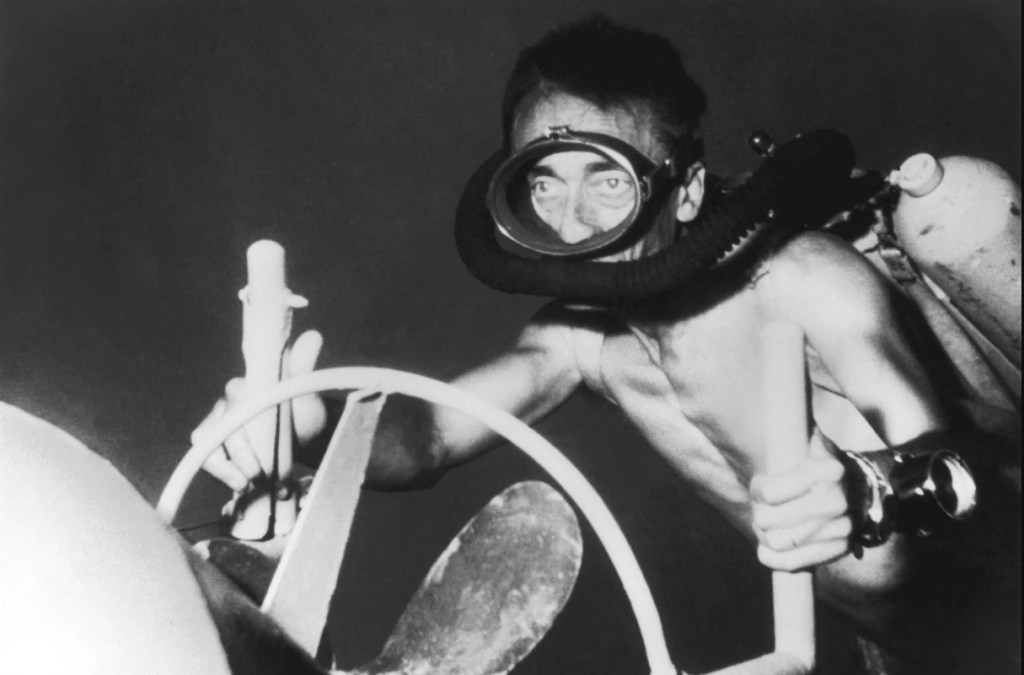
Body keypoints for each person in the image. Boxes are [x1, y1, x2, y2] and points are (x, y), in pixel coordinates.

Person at [195, 16, 1018, 673]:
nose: (570, 225)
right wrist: (318, 426)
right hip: (895, 651)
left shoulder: (797, 279)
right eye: (543, 183)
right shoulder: (584, 342)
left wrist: (866, 490)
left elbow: (948, 455)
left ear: (685, 190)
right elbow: (434, 432)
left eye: (609, 181)